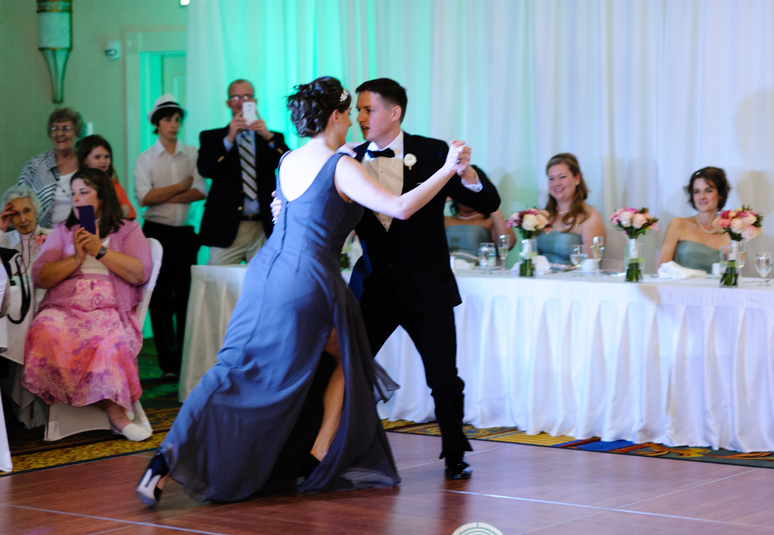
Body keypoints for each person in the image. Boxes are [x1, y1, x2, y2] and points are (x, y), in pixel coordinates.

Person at [136, 77, 470, 506]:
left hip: (266, 274)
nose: (354, 121)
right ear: (334, 116)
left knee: (233, 367)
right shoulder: (341, 166)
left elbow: (284, 212)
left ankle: (163, 461)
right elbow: (400, 207)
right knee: (350, 359)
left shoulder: (289, 159)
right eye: (350, 113)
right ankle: (317, 454)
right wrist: (446, 169)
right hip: (308, 280)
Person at [350, 78, 501, 479]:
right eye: (359, 110)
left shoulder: (435, 152)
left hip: (427, 288)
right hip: (371, 288)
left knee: (444, 379)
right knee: (348, 371)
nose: (361, 117)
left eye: (369, 109)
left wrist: (466, 174)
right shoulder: (349, 158)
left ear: (394, 112)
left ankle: (455, 452)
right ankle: (340, 450)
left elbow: (487, 202)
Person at [22, 168, 152, 441]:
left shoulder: (127, 229)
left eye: (84, 192)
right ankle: (108, 407)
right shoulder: (63, 230)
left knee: (110, 341)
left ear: (102, 195)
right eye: (73, 194)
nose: (77, 199)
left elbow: (140, 272)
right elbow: (40, 276)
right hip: (66, 307)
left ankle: (116, 417)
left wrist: (99, 249)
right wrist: (75, 258)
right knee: (45, 329)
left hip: (109, 309)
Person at [133, 94, 207, 380]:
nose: (174, 124)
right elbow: (145, 198)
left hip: (186, 235)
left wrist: (165, 194)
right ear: (156, 123)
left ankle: (187, 359)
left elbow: (201, 191)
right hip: (156, 234)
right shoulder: (146, 158)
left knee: (186, 297)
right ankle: (168, 365)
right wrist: (180, 186)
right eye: (168, 119)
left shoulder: (193, 153)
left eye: (178, 119)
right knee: (161, 300)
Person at [198, 79, 290, 265]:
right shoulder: (212, 137)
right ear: (228, 103)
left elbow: (288, 166)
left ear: (254, 102)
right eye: (235, 97)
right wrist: (230, 137)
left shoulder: (272, 137)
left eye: (246, 97)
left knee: (263, 283)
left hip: (263, 225)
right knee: (219, 283)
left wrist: (268, 137)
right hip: (227, 226)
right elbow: (206, 169)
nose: (241, 102)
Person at [0, 185, 50, 427]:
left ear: (37, 211)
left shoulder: (51, 237)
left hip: (44, 307)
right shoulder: (6, 240)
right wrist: (1, 228)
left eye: (27, 211)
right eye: (15, 214)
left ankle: (32, 412)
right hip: (15, 311)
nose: (22, 219)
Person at [17, 108, 84, 228]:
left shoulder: (85, 163)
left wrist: (88, 232)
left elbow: (92, 204)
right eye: (55, 129)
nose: (59, 134)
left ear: (77, 133)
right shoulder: (36, 166)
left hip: (82, 234)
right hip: (43, 237)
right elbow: (17, 200)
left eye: (66, 128)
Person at [657, 167, 732, 273]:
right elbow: (662, 268)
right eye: (697, 191)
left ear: (720, 194)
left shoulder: (729, 231)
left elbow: (732, 273)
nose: (702, 196)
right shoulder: (678, 224)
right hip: (678, 288)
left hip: (714, 289)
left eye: (708, 191)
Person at [538, 153, 606, 264]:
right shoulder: (541, 216)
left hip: (571, 279)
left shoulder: (590, 216)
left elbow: (591, 264)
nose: (556, 183)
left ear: (577, 178)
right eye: (551, 178)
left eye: (562, 177)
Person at [77, 135, 137, 219]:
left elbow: (131, 214)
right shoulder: (79, 186)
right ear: (85, 160)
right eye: (97, 157)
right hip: (89, 230)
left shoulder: (114, 185)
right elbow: (85, 218)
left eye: (107, 156)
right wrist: (118, 211)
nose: (103, 161)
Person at [444, 199, 515, 263]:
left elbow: (507, 244)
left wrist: (491, 201)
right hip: (448, 268)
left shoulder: (489, 221)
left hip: (477, 270)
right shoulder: (445, 220)